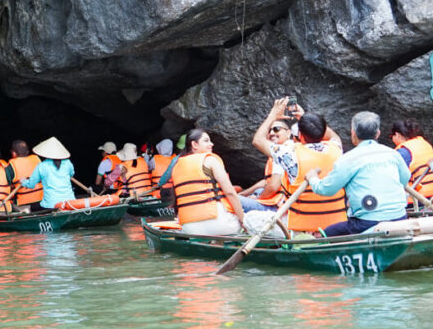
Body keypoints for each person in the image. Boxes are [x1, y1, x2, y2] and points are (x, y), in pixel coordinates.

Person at [249, 98, 345, 233]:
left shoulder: (290, 153)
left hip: (302, 227)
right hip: (335, 224)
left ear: (299, 134)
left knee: (250, 218)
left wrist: (273, 115)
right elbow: (333, 136)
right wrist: (304, 117)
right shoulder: (336, 148)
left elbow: (258, 140)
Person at [306, 111, 409, 236]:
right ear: (378, 134)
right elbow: (405, 179)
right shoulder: (393, 154)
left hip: (367, 222)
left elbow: (326, 189)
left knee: (326, 233)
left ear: (353, 133)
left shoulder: (348, 159)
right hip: (400, 217)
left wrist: (313, 178)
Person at [168, 128, 246, 236]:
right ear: (194, 144)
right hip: (220, 225)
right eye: (206, 140)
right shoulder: (210, 160)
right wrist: (243, 221)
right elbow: (230, 192)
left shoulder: (176, 166)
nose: (211, 144)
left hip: (189, 228)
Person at [389, 119, 433, 202]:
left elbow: (394, 177)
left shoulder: (404, 151)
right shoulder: (424, 143)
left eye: (391, 137)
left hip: (418, 198)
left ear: (397, 135)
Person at [22, 137, 77, 211]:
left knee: (32, 207)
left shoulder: (41, 166)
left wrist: (23, 182)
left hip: (51, 205)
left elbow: (31, 185)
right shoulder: (68, 163)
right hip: (70, 202)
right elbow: (71, 174)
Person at [7, 140, 42, 212]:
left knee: (9, 204)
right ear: (28, 151)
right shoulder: (37, 160)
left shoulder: (11, 166)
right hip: (42, 202)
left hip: (24, 205)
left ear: (13, 153)